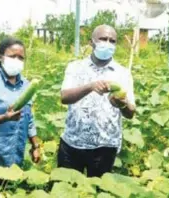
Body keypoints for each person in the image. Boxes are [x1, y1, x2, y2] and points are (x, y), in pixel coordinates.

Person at [57, 24, 136, 177]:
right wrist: (90, 87)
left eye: (112, 41)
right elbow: (64, 97)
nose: (107, 43)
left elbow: (131, 112)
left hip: (105, 146)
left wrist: (122, 104)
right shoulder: (75, 68)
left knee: (99, 190)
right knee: (65, 188)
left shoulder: (122, 73)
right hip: (73, 142)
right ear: (91, 42)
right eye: (103, 39)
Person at [0, 38, 41, 186]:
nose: (17, 60)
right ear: (1, 57)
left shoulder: (25, 85)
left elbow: (29, 117)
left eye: (21, 57)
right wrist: (5, 117)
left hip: (15, 155)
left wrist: (35, 145)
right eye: (12, 56)